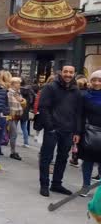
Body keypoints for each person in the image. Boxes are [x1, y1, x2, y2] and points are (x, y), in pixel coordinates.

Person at [38, 65, 82, 197]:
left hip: (68, 130)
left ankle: (56, 184)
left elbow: (78, 113)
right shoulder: (51, 87)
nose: (68, 74)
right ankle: (44, 184)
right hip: (53, 129)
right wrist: (50, 127)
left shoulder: (76, 90)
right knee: (47, 157)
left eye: (71, 72)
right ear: (61, 73)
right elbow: (43, 108)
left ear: (74, 74)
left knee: (63, 158)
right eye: (66, 71)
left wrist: (77, 132)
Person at [75, 70, 101, 197]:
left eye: (99, 80)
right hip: (89, 132)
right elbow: (80, 115)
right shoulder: (85, 96)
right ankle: (86, 185)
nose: (96, 82)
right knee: (88, 161)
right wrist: (78, 132)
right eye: (94, 79)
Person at [70, 76, 89, 167]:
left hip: (78, 120)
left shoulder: (77, 94)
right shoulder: (88, 93)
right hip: (87, 121)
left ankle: (75, 157)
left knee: (75, 141)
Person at [6, 77, 25, 161]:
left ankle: (12, 151)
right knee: (14, 134)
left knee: (12, 134)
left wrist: (22, 101)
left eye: (19, 83)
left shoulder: (18, 93)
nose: (19, 85)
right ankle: (13, 152)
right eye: (18, 83)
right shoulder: (10, 93)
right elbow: (10, 105)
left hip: (17, 116)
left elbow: (22, 104)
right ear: (13, 84)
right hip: (11, 116)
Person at [19, 78, 35, 147]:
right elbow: (33, 99)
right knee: (24, 127)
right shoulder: (29, 89)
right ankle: (26, 143)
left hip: (18, 109)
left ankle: (9, 140)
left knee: (12, 127)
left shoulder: (19, 90)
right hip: (26, 110)